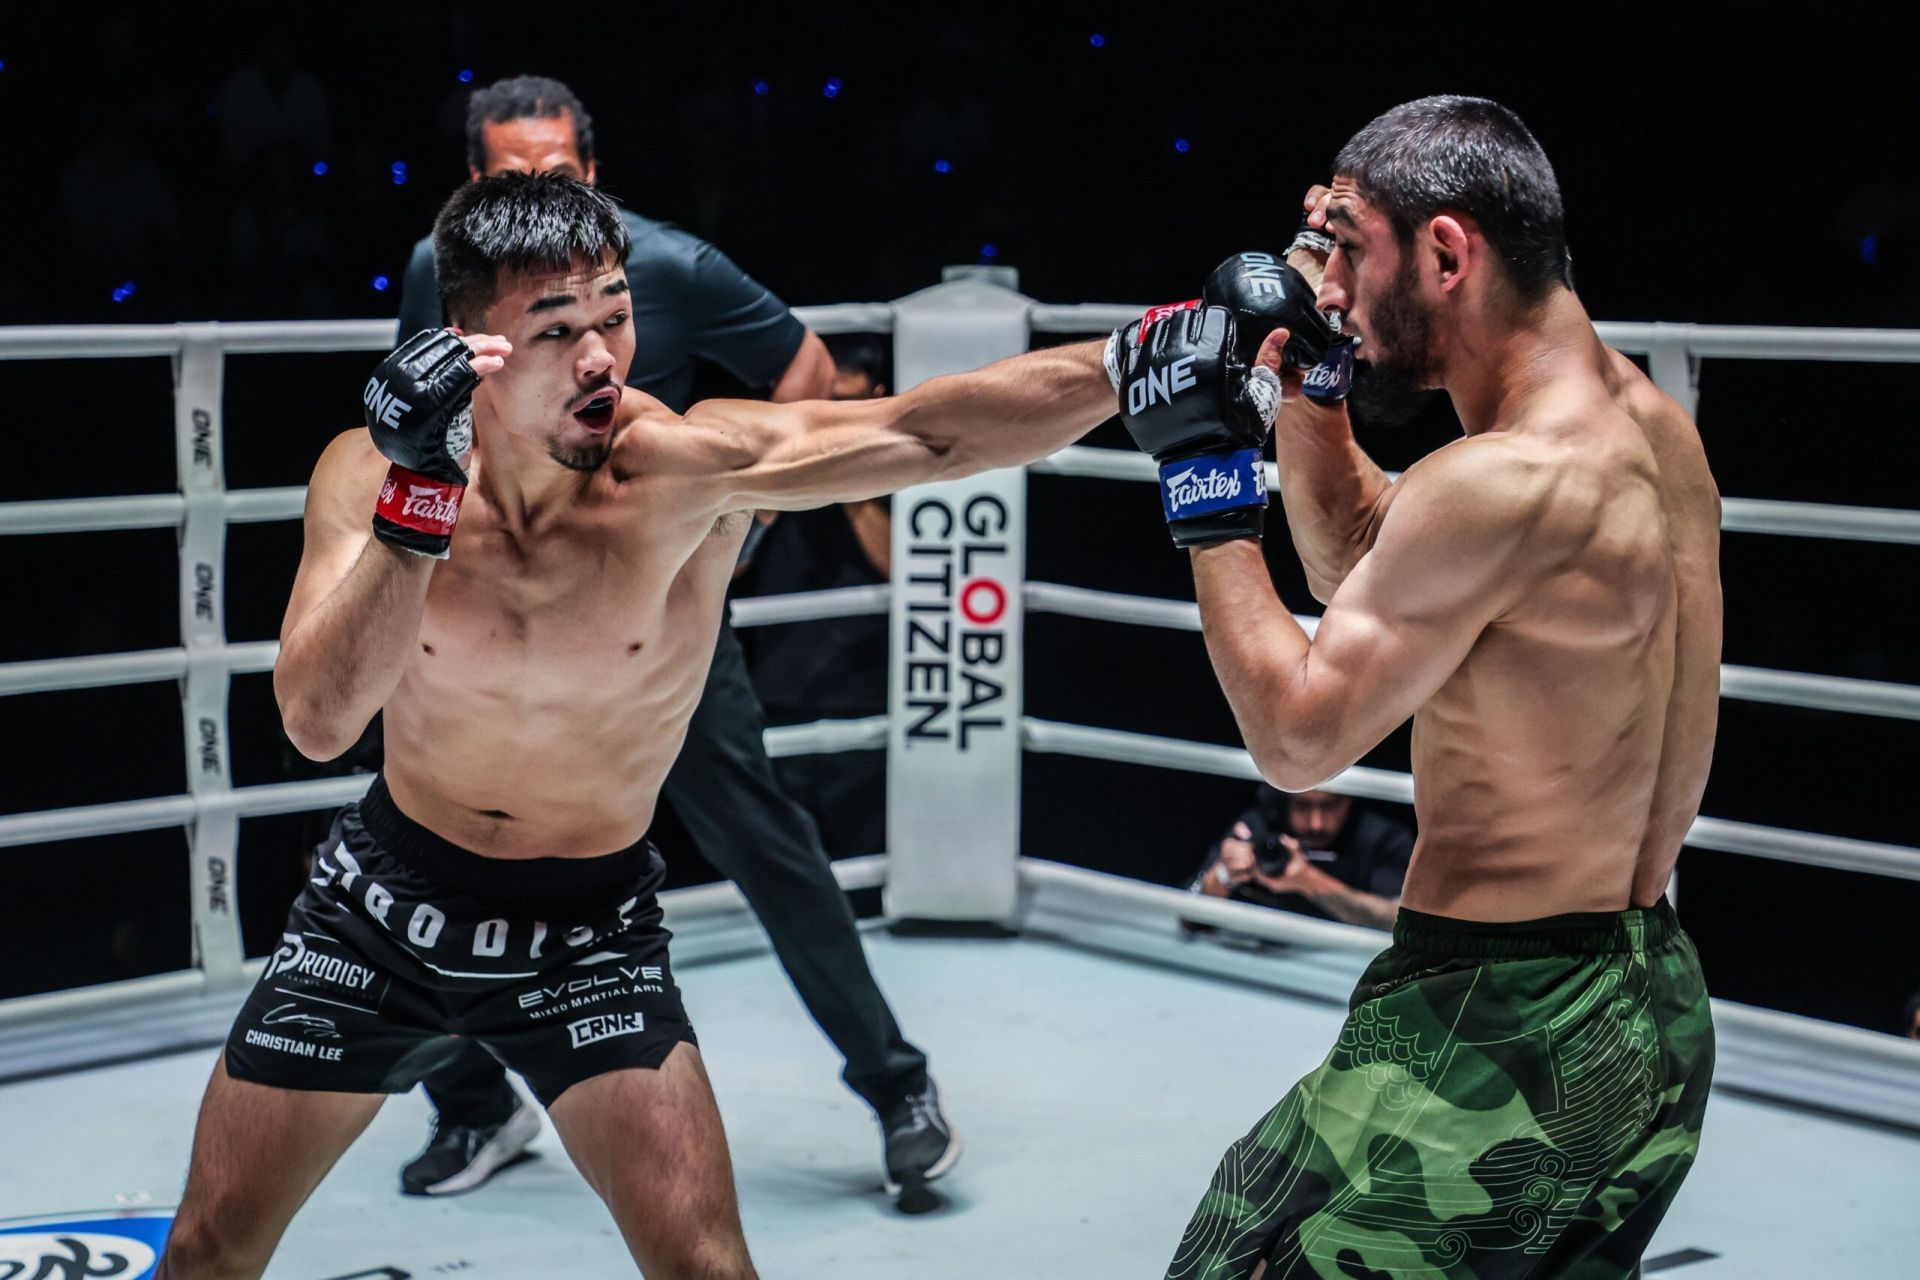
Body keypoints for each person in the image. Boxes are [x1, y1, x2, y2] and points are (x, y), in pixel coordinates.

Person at [155, 171, 1112, 1280]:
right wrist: (417, 499)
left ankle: (891, 1077)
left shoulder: (678, 471)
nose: (605, 354)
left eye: (613, 312)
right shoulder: (367, 471)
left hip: (585, 930)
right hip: (380, 909)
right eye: (557, 330)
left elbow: (932, 432)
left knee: (705, 1266)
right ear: (470, 345)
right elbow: (319, 722)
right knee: (203, 1248)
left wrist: (1138, 358)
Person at [1110, 96, 1720, 1278]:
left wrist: (1202, 477)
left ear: (1446, 253)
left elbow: (1298, 739)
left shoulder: (1495, 481)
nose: (1325, 280)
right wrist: (1312, 385)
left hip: (1500, 1028)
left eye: (1347, 246)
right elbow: (1383, 570)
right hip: (1644, 993)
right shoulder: (1647, 427)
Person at [387, 75, 948, 1201]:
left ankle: (898, 1083)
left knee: (764, 840)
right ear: (473, 182)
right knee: (413, 845)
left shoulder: (674, 267)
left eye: (555, 172)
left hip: (649, 635)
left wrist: (721, 550)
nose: (536, 192)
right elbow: (419, 432)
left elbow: (807, 378)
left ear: (592, 173)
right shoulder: (440, 272)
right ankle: (475, 1107)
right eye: (510, 176)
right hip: (488, 624)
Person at [736, 332, 893, 855]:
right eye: (827, 406)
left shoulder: (900, 463)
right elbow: (733, 565)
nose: (835, 419)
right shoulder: (782, 458)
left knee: (862, 851)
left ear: (877, 397)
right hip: (780, 687)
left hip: (865, 691)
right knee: (784, 851)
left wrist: (848, 484)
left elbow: (907, 569)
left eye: (847, 405)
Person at [1188, 786, 1409, 930]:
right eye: (1303, 806)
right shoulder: (1256, 827)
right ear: (1284, 802)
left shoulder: (1383, 838)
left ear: (1350, 799)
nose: (1317, 823)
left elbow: (1398, 922)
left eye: (1330, 806)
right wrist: (1223, 876)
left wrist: (1307, 881)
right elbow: (1186, 916)